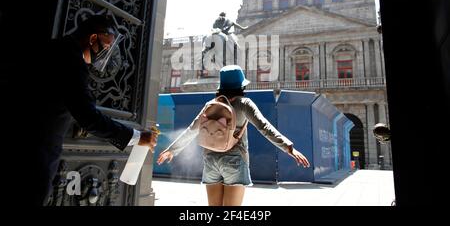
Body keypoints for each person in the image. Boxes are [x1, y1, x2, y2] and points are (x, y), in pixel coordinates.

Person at [28, 15, 158, 205]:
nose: (105, 54)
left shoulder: (54, 48)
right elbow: (88, 117)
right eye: (106, 48)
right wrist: (137, 136)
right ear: (92, 39)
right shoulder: (71, 60)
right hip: (34, 154)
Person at [157, 65, 310, 206]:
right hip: (235, 161)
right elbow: (264, 127)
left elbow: (192, 129)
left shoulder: (211, 104)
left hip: (210, 160)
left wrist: (172, 150)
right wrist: (289, 148)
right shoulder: (244, 103)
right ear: (241, 85)